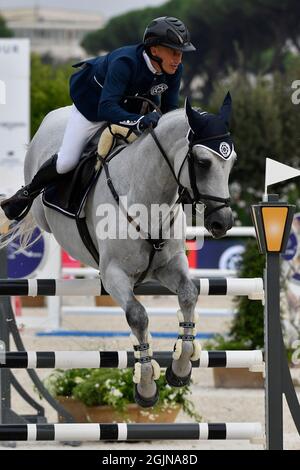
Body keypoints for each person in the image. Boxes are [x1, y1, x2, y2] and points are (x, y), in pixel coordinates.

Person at [1, 16, 196, 221]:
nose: (178, 59)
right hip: (94, 107)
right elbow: (107, 108)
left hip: (133, 106)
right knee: (66, 161)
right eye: (174, 52)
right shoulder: (125, 63)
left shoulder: (174, 69)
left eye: (181, 53)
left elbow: (169, 110)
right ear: (155, 50)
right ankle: (27, 193)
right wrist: (139, 121)